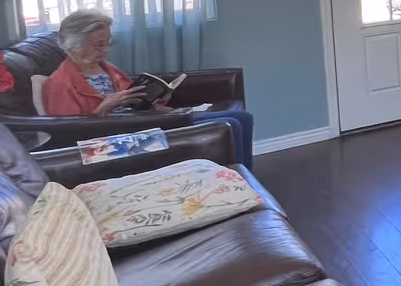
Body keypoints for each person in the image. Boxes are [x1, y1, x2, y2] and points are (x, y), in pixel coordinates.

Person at [42, 9, 257, 168]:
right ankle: (239, 179)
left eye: (108, 42)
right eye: (99, 44)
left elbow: (134, 98)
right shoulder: (60, 84)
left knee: (242, 118)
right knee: (232, 123)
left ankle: (245, 176)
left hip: (143, 123)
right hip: (118, 143)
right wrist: (101, 110)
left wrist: (156, 96)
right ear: (74, 45)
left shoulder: (106, 68)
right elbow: (68, 136)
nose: (105, 50)